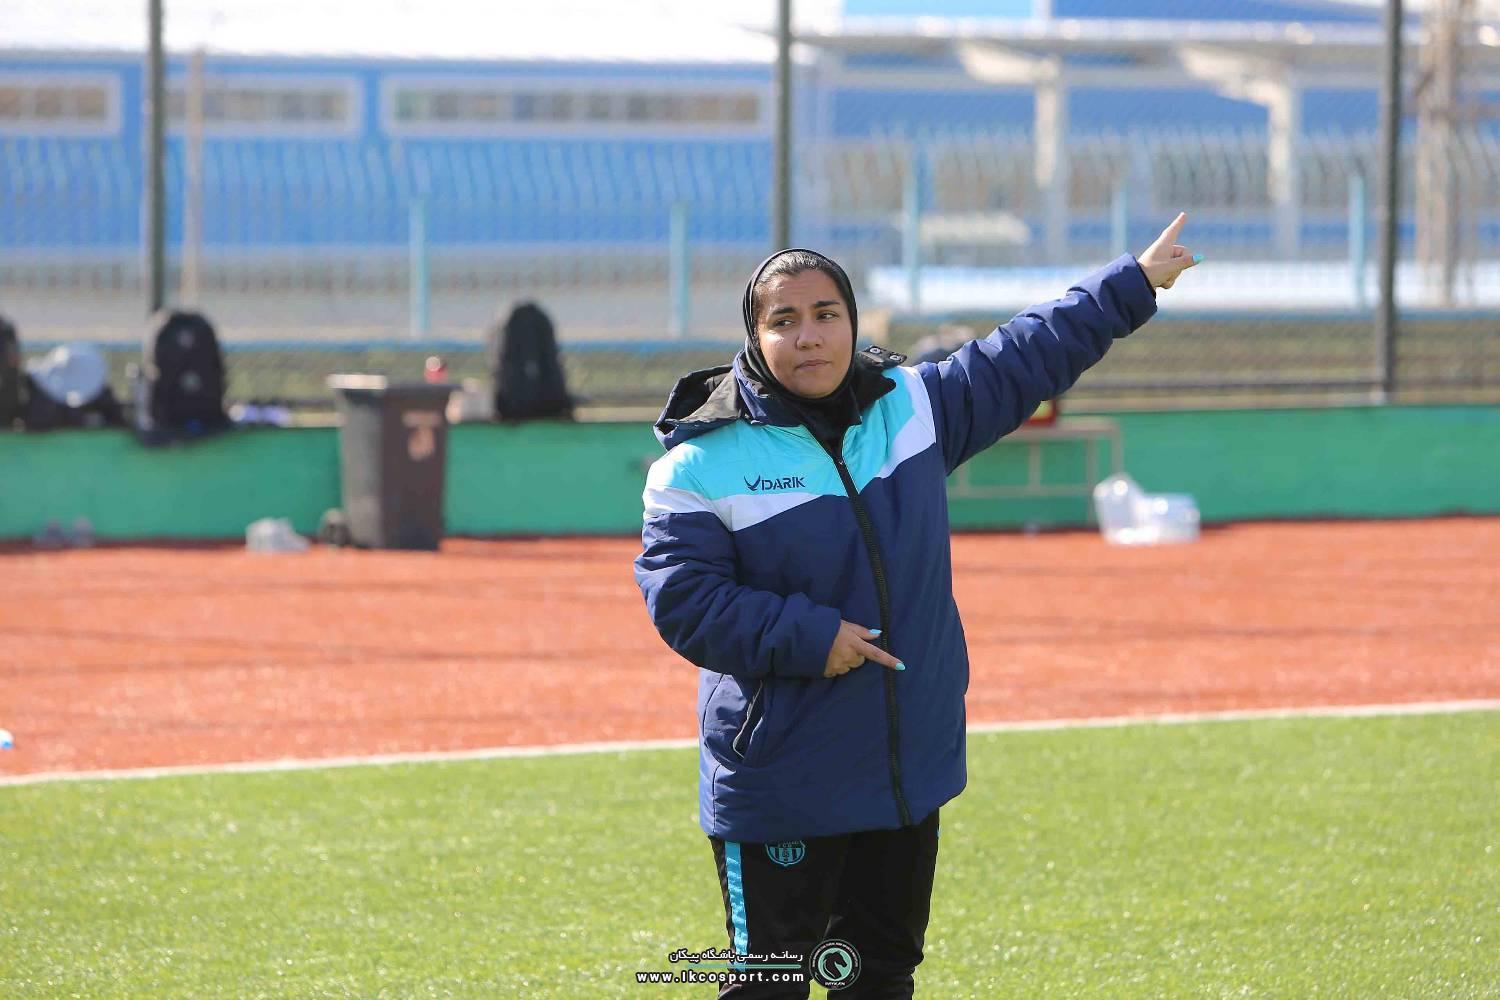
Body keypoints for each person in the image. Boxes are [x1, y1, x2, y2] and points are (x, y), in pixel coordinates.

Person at [635, 214, 1200, 998]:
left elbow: (1026, 353)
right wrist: (811, 638)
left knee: (879, 977)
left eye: (826, 314)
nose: (809, 336)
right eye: (784, 321)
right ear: (754, 338)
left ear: (853, 323)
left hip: (902, 771)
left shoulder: (915, 407)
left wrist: (1131, 283)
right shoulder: (699, 463)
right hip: (782, 779)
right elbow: (686, 602)